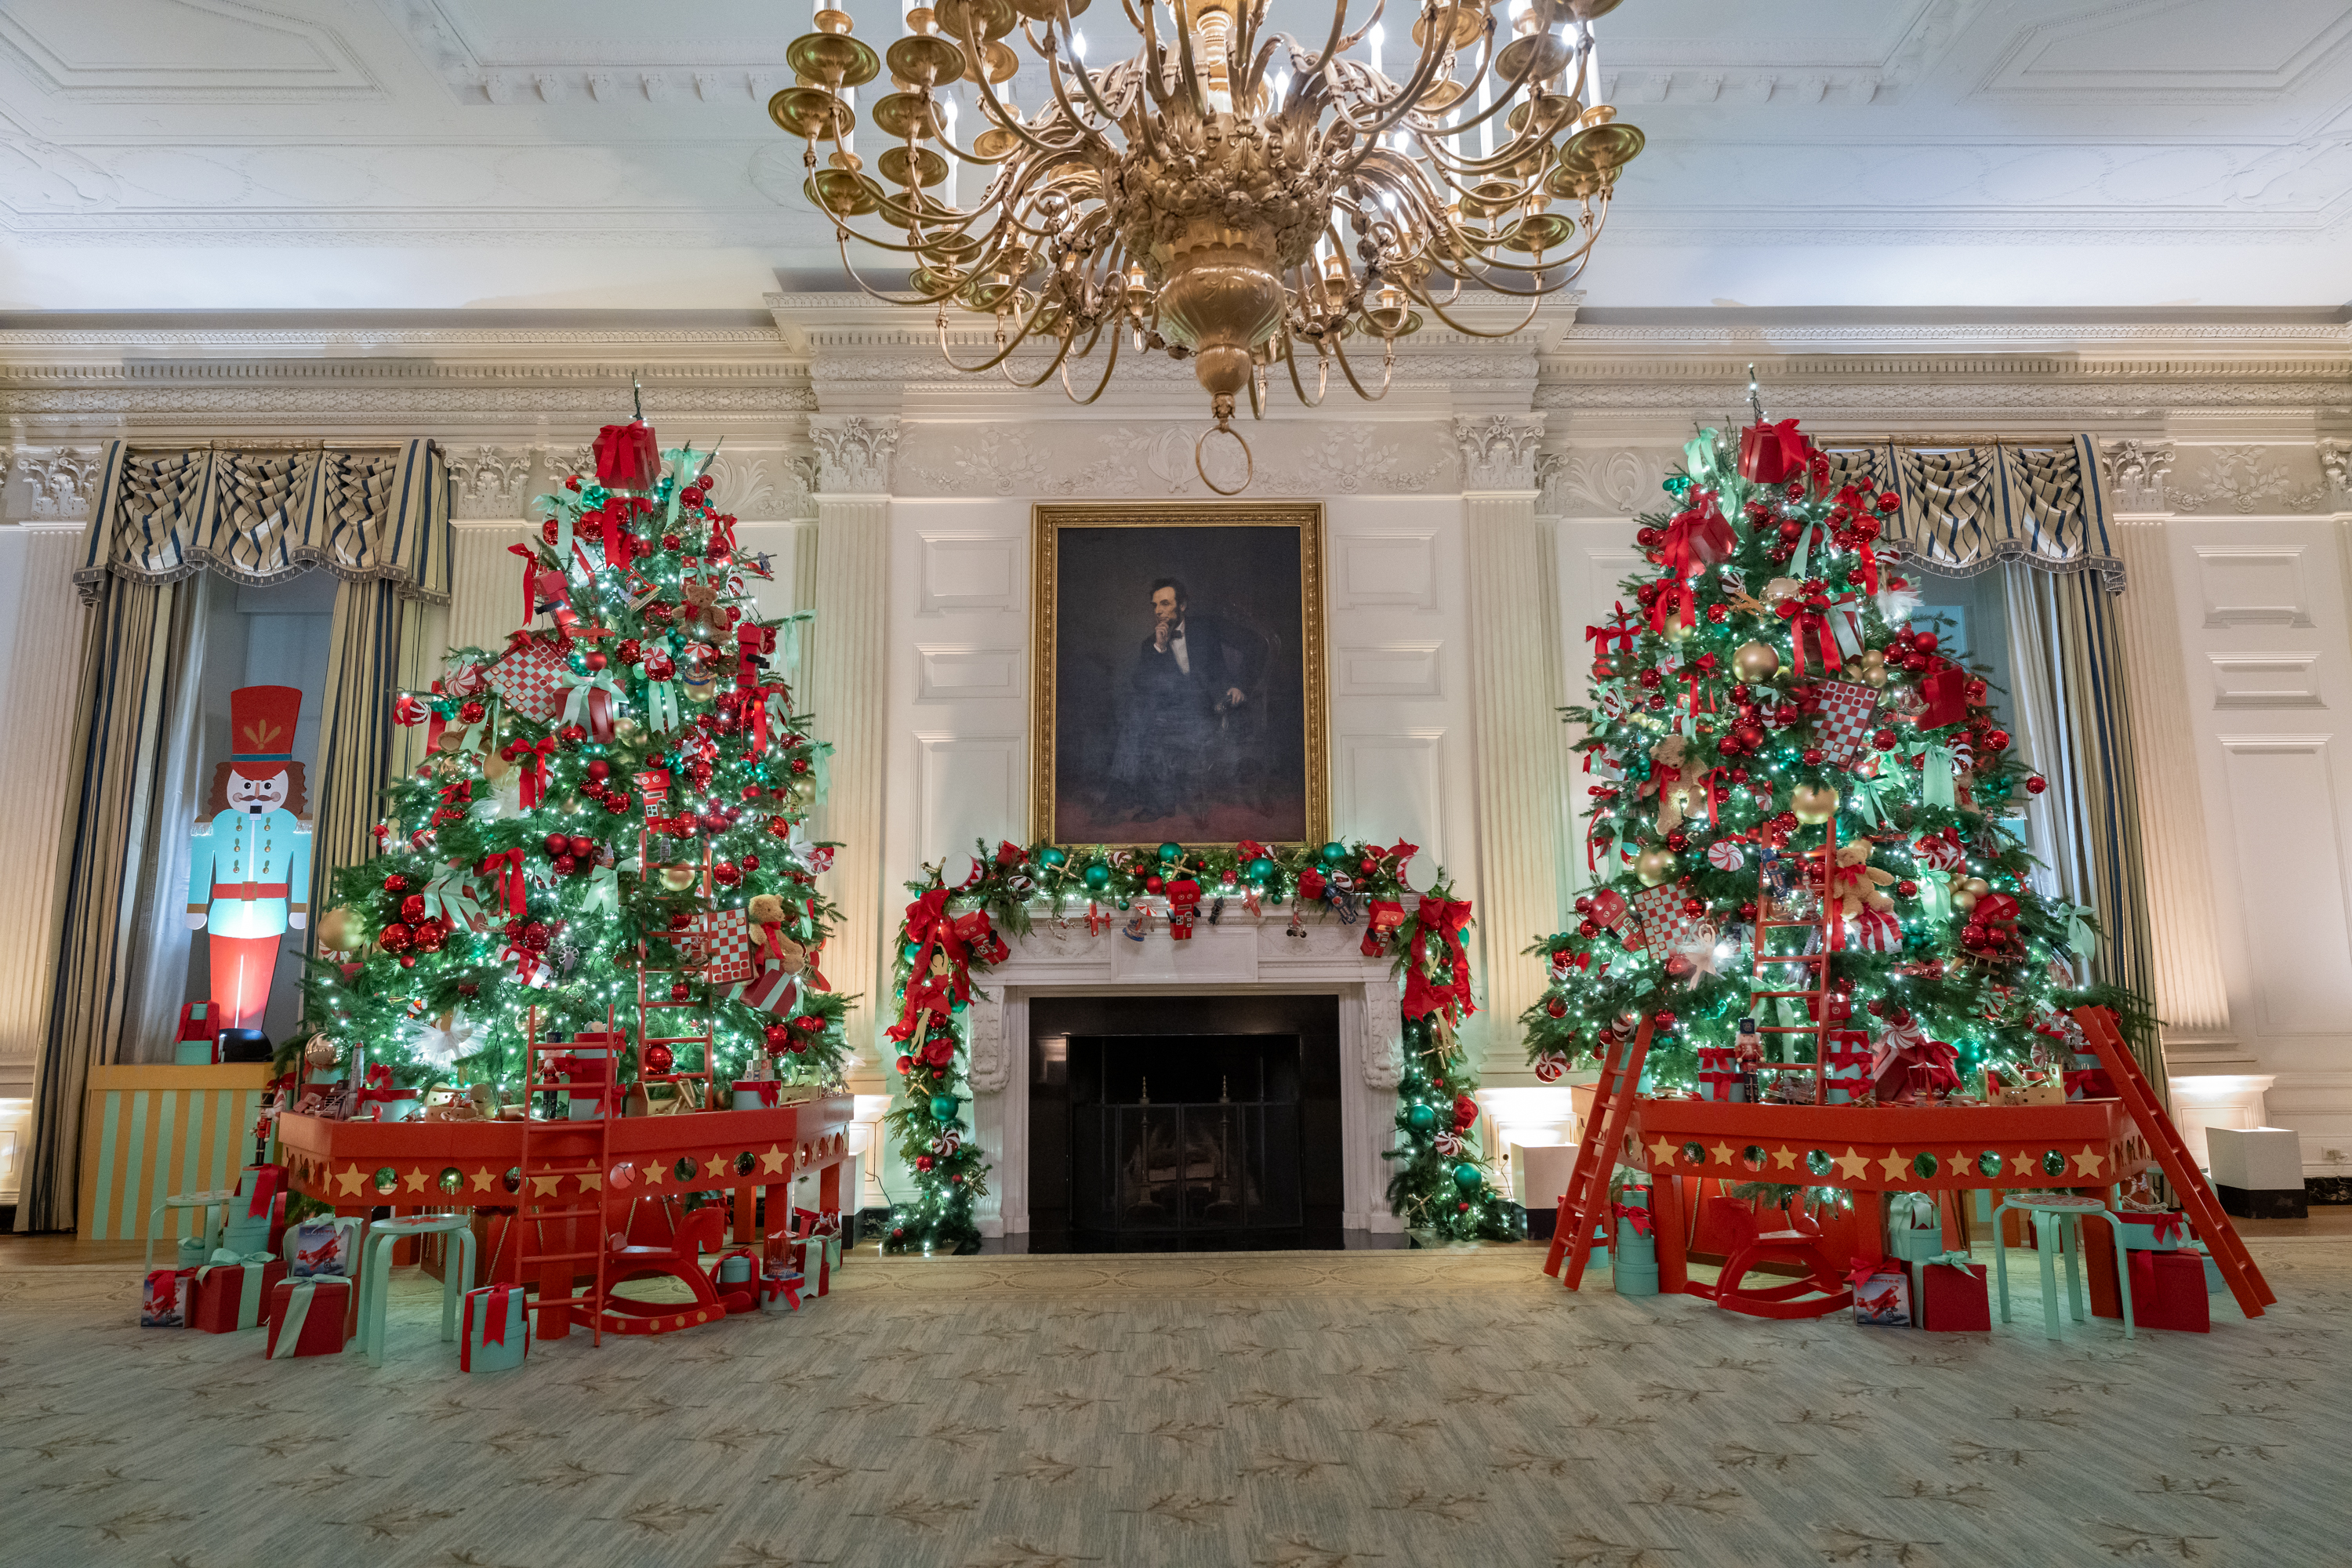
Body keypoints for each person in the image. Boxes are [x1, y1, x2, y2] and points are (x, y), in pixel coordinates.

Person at [187, 685, 312, 1034]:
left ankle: (250, 1035)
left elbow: (302, 863)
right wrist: (196, 905)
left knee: (258, 977)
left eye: (268, 785)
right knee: (224, 977)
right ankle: (224, 1036)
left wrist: (299, 906)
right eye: (246, 784)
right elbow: (202, 863)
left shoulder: (294, 824)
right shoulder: (216, 823)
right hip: (224, 911)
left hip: (269, 911)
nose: (256, 793)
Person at [1107, 578, 1265, 824]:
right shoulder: (1151, 644)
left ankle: (1122, 796)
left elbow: (1257, 645)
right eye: (1155, 605)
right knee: (1139, 709)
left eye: (1165, 603)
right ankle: (1139, 797)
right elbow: (1141, 684)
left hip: (1211, 709)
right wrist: (1160, 648)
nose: (1158, 611)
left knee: (1139, 715)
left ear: (1182, 605)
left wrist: (1240, 685)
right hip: (1170, 714)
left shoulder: (1207, 627)